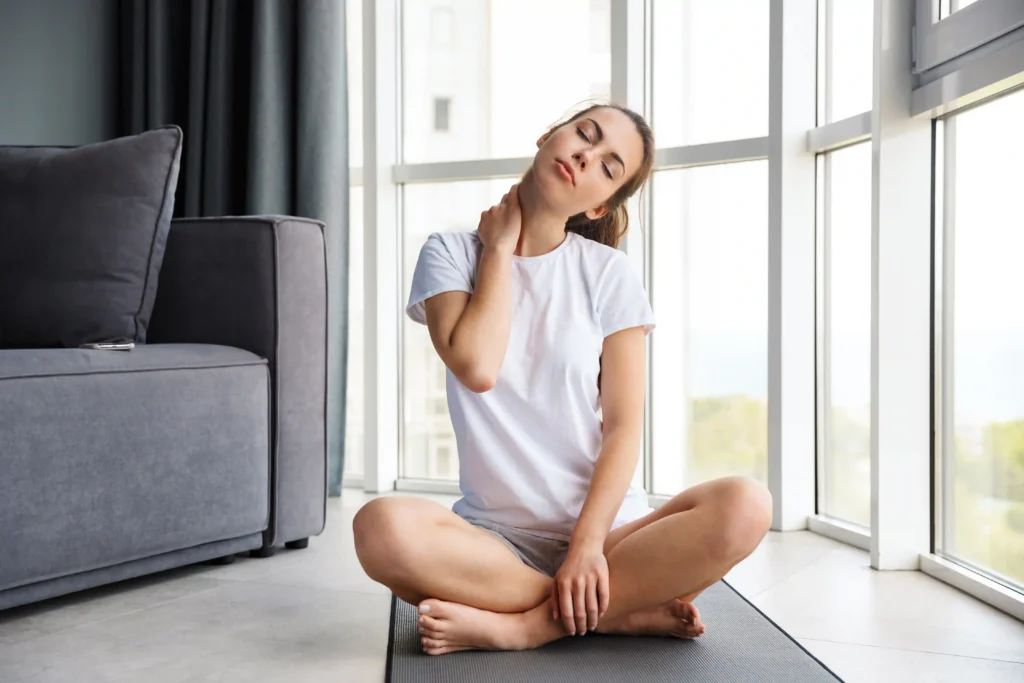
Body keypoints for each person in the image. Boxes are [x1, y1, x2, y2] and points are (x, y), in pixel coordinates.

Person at [353, 103, 773, 656]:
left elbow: (623, 427)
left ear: (600, 203)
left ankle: (527, 626)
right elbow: (477, 367)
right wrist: (500, 249)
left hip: (609, 538)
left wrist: (587, 546)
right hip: (494, 545)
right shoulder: (451, 253)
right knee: (379, 527)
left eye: (608, 165)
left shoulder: (609, 273)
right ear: (549, 134)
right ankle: (612, 613)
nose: (585, 154)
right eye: (585, 134)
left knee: (747, 504)